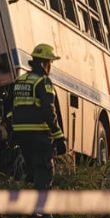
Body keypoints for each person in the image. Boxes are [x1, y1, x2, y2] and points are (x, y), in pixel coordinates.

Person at [9, 43, 68, 194]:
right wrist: (59, 137)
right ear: (44, 64)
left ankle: (29, 208)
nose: (50, 67)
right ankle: (42, 214)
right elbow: (49, 111)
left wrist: (12, 128)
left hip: (20, 136)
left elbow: (9, 108)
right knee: (44, 171)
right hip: (39, 135)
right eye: (50, 63)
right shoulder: (42, 82)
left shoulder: (19, 81)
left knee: (30, 171)